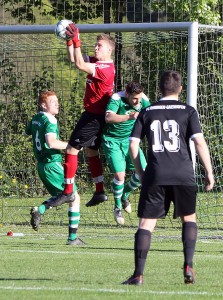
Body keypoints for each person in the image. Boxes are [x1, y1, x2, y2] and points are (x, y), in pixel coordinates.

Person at [122, 70, 215, 285]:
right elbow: (199, 142)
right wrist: (208, 171)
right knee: (189, 218)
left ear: (159, 89)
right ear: (180, 89)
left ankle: (138, 274)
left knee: (146, 223)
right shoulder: (188, 111)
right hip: (183, 174)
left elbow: (132, 144)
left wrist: (140, 172)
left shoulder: (147, 111)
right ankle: (188, 264)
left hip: (156, 174)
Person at [51, 22, 116, 208]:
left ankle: (68, 191)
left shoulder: (104, 69)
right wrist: (69, 41)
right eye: (95, 45)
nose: (96, 47)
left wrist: (77, 39)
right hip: (98, 116)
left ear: (109, 51)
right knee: (91, 151)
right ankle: (100, 190)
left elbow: (79, 64)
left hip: (93, 117)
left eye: (100, 46)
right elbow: (74, 60)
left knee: (71, 149)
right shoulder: (98, 62)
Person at [25, 90, 84, 245]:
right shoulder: (50, 120)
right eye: (53, 102)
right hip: (53, 164)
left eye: (57, 101)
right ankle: (72, 238)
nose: (57, 104)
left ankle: (40, 211)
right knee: (73, 196)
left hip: (42, 165)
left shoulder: (36, 118)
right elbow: (52, 143)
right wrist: (72, 146)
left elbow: (28, 132)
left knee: (64, 195)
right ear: (43, 105)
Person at [102, 81, 150, 225]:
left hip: (130, 141)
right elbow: (109, 117)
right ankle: (117, 207)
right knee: (119, 175)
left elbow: (151, 116)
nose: (137, 101)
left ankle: (125, 194)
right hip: (113, 140)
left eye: (139, 99)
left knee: (144, 172)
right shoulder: (117, 98)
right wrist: (129, 117)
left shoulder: (144, 100)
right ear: (127, 94)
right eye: (134, 99)